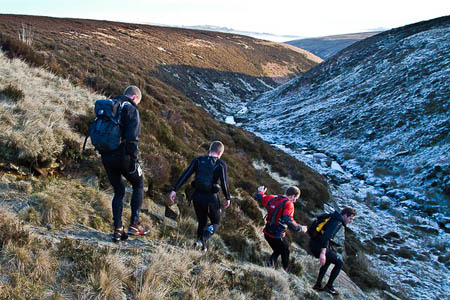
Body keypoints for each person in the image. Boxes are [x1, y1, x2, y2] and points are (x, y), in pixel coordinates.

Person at [101, 86, 149, 242]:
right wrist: (133, 161)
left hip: (106, 155)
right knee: (139, 184)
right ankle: (134, 225)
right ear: (135, 98)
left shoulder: (110, 105)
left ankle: (117, 229)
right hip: (123, 157)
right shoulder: (131, 109)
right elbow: (132, 139)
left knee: (119, 190)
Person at [169, 141, 231, 251]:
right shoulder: (221, 164)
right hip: (211, 198)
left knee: (202, 221)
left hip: (197, 196)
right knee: (216, 222)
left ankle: (200, 247)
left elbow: (186, 174)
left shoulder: (197, 160)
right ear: (220, 152)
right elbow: (224, 183)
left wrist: (175, 189)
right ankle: (202, 241)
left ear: (210, 149)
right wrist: (227, 198)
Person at [254, 185, 307, 272]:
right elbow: (287, 219)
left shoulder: (273, 198)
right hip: (277, 235)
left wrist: (260, 191)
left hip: (267, 232)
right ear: (292, 196)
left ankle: (269, 266)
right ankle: (285, 271)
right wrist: (300, 228)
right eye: (296, 198)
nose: (295, 200)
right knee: (285, 251)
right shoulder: (289, 204)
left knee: (278, 250)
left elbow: (259, 197)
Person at [309, 206, 356, 295]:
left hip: (314, 242)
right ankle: (329, 286)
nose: (351, 221)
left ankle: (318, 285)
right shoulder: (337, 222)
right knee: (340, 263)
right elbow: (326, 237)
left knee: (329, 259)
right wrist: (323, 253)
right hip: (318, 245)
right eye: (350, 218)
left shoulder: (332, 216)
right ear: (345, 215)